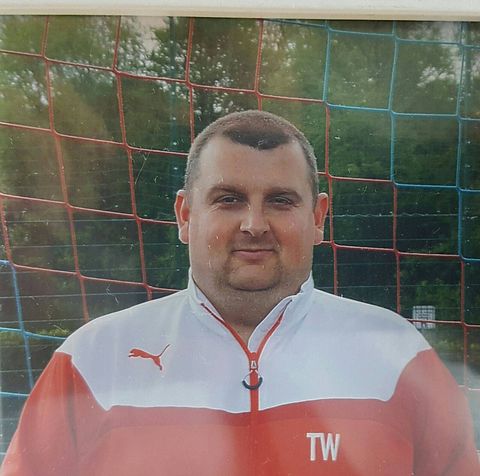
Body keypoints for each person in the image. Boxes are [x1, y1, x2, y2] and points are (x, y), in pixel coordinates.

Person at [2, 110, 478, 475]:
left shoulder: (398, 355)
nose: (254, 224)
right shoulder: (91, 360)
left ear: (318, 218)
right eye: (228, 199)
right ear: (185, 215)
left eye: (280, 200)